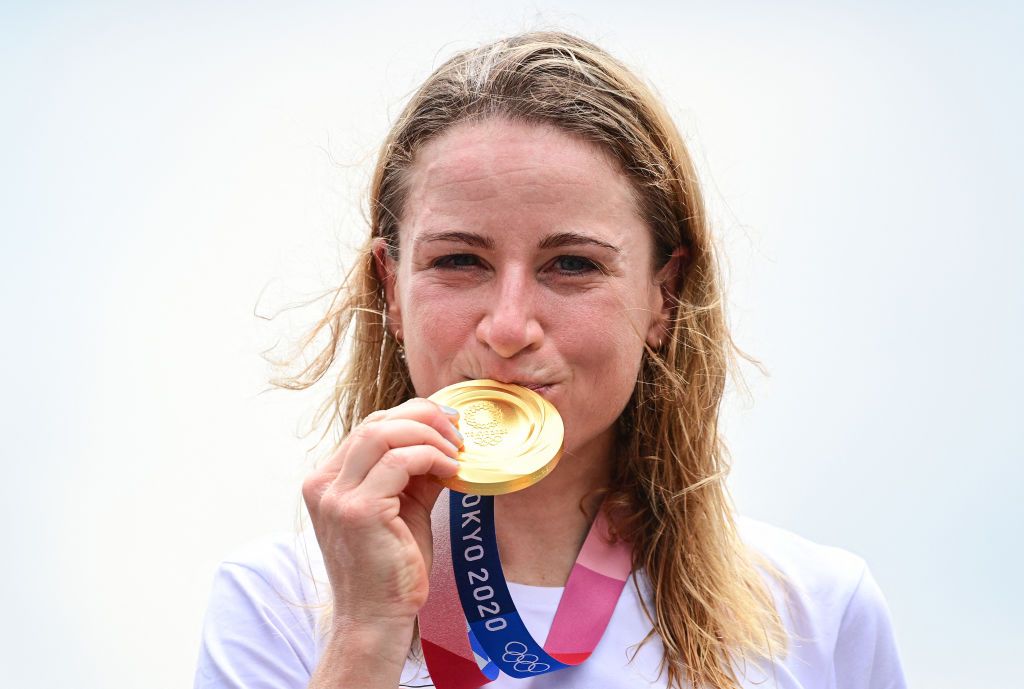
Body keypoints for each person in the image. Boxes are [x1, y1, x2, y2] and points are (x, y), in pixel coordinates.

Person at [194, 31, 906, 689]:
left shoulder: (818, 614)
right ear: (393, 291)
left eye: (571, 263)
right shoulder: (278, 605)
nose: (508, 326)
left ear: (664, 295)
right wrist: (364, 634)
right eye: (459, 260)